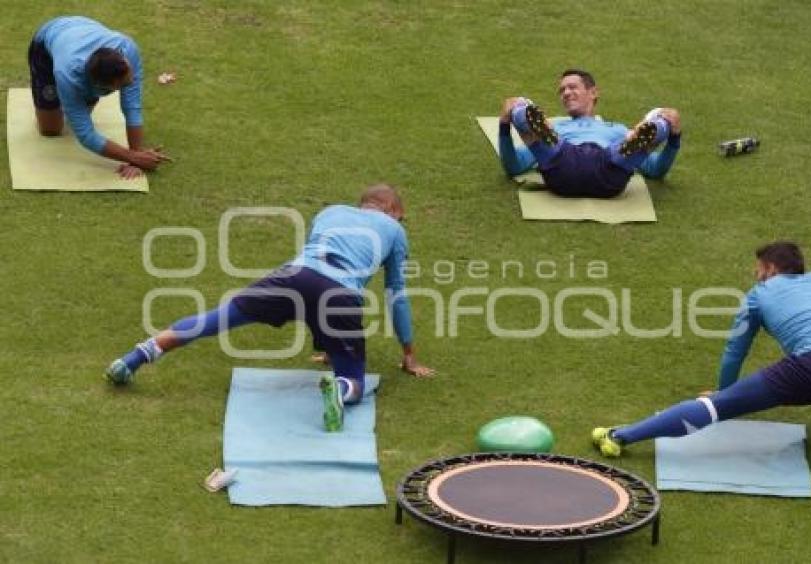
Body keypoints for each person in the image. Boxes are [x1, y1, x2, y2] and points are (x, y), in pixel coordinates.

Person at [106, 184, 435, 431]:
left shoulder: (330, 212)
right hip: (339, 293)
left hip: (292, 277)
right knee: (356, 382)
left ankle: (132, 358)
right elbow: (397, 295)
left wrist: (326, 348)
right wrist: (408, 354)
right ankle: (340, 390)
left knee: (217, 318)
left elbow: (312, 282)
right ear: (392, 209)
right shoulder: (395, 230)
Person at [592, 241, 811, 457]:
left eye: (758, 269)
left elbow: (735, 352)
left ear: (770, 268)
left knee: (713, 407)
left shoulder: (759, 294)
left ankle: (618, 436)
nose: (756, 274)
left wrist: (723, 393)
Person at [498, 68, 682, 198]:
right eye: (562, 90)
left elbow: (656, 170)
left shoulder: (617, 129)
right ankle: (522, 111)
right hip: (565, 164)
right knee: (523, 115)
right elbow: (515, 166)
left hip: (606, 168)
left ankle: (656, 124)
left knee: (648, 130)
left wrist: (674, 137)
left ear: (593, 92)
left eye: (572, 87)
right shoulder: (557, 126)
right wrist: (504, 124)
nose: (566, 93)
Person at [28, 16, 169, 179]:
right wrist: (132, 157)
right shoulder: (67, 74)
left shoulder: (127, 50)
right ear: (102, 85)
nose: (130, 84)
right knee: (50, 130)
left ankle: (69, 101)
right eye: (122, 85)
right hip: (47, 41)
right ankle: (60, 98)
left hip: (82, 28)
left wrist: (136, 152)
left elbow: (132, 107)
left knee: (79, 115)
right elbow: (86, 135)